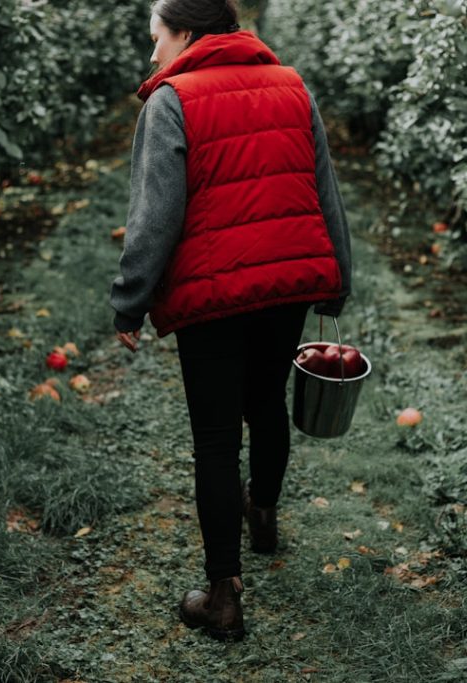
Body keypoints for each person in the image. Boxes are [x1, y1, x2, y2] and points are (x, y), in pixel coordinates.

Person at [109, 0, 352, 642]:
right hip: (285, 285)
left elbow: (154, 217)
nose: (152, 53)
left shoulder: (171, 100)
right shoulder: (292, 85)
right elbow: (325, 190)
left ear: (186, 34)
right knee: (266, 399)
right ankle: (262, 512)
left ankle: (223, 596)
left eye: (156, 38)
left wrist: (129, 300)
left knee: (216, 440)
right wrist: (337, 279)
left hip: (213, 294)